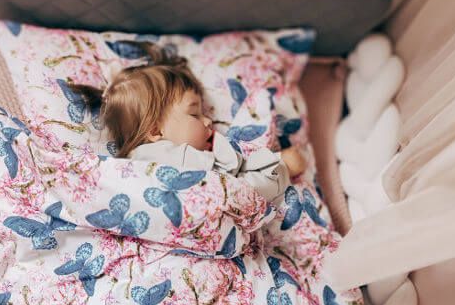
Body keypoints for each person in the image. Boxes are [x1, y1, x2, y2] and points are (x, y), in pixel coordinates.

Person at [72, 44, 307, 206]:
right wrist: (281, 167)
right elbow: (238, 192)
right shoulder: (176, 159)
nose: (208, 120)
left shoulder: (135, 164)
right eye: (194, 113)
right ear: (155, 130)